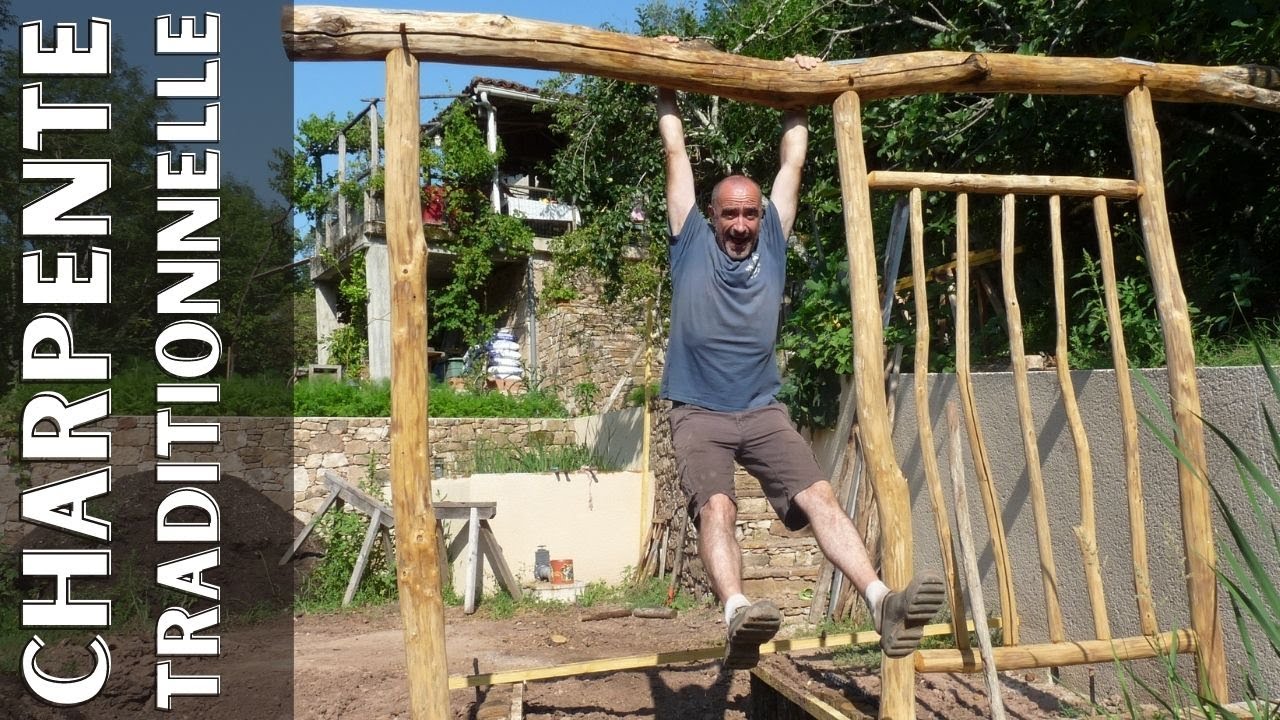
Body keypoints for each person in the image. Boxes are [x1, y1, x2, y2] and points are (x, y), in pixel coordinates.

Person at [655, 57, 945, 671]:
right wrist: (666, 79)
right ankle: (736, 613)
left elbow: (794, 160)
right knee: (717, 506)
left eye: (748, 213)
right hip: (699, 412)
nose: (739, 223)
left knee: (821, 496)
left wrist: (800, 92)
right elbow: (675, 153)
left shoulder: (773, 244)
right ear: (710, 217)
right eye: (729, 213)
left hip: (762, 408)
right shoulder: (689, 243)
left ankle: (881, 602)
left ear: (761, 217)